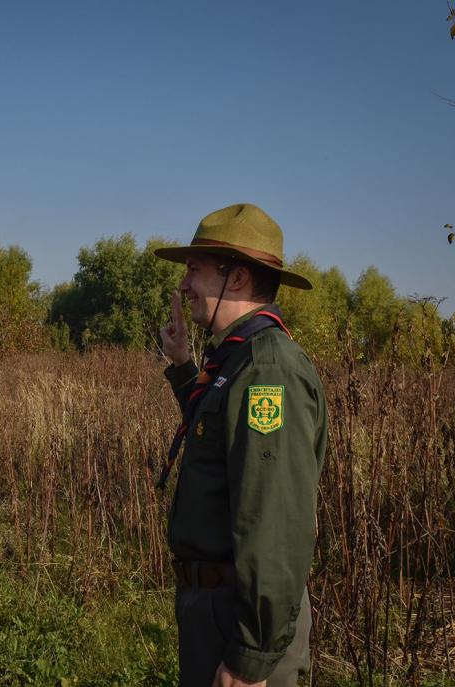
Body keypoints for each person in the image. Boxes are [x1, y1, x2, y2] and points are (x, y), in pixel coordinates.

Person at [154, 203, 327, 687]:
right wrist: (183, 365)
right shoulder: (239, 360)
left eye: (195, 269)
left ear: (238, 278)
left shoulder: (268, 370)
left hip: (239, 618)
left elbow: (273, 518)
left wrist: (251, 655)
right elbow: (216, 436)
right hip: (218, 609)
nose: (184, 284)